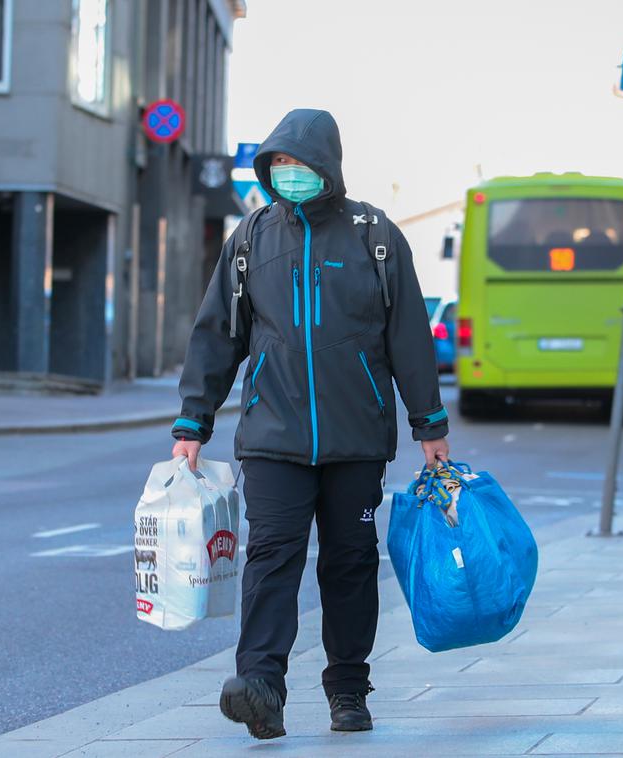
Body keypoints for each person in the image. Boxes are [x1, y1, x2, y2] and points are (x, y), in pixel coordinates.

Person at [169, 109, 450, 739]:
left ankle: (349, 688)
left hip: (356, 437)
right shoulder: (250, 241)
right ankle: (261, 684)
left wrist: (428, 423)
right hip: (273, 436)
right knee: (270, 556)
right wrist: (193, 421)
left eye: (300, 164)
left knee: (349, 563)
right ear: (269, 170)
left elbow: (409, 335)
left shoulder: (374, 235)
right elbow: (218, 334)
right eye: (280, 166)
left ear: (328, 166)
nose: (290, 174)